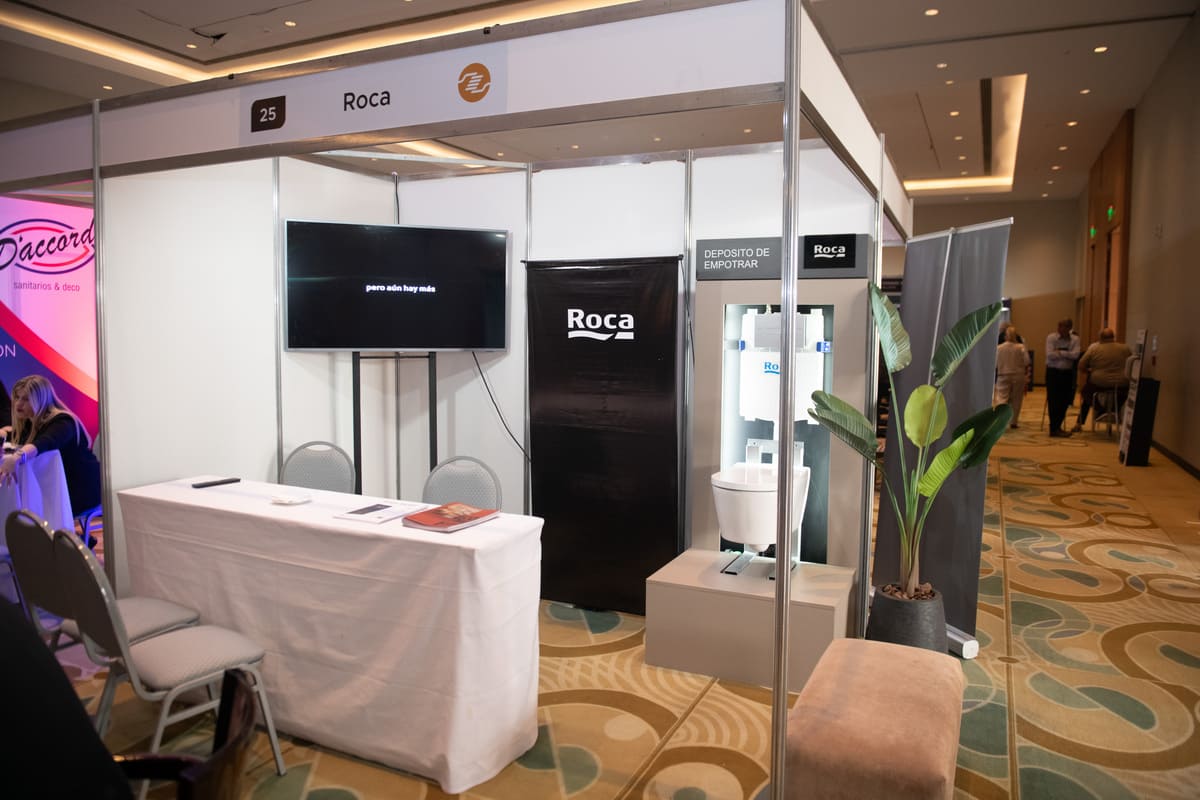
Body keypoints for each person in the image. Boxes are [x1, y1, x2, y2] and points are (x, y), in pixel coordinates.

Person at [0, 374, 101, 515]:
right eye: (17, 397)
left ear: (41, 399)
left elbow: (43, 443)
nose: (18, 404)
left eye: (26, 399)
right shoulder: (30, 422)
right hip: (53, 485)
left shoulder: (63, 422)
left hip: (80, 490)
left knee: (23, 501)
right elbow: (13, 434)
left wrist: (16, 458)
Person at [1073, 328, 1133, 431]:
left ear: (1100, 338)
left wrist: (1088, 371)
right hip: (1121, 384)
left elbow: (1081, 365)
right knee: (1121, 395)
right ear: (1113, 337)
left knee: (1086, 393)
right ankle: (1114, 412)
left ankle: (1082, 421)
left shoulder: (1094, 349)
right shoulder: (1125, 348)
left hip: (1099, 383)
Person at [1044, 319, 1080, 437]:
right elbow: (1050, 355)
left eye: (1064, 327)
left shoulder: (1075, 339)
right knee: (1053, 400)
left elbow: (1075, 355)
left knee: (1065, 401)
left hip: (1067, 373)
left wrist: (1060, 352)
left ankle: (1058, 425)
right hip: (1053, 373)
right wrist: (1067, 353)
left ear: (1069, 328)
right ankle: (1054, 428)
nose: (1061, 329)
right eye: (1059, 326)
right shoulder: (1051, 338)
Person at [994, 327, 1030, 427]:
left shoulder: (999, 348)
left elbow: (995, 364)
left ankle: (1000, 421)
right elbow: (1027, 361)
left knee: (1001, 398)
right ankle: (1013, 422)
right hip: (1018, 375)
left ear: (1005, 336)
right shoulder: (1021, 347)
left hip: (1003, 375)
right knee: (1016, 399)